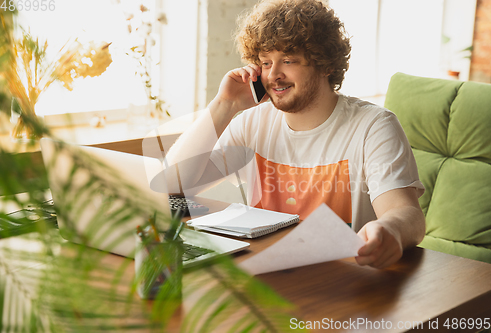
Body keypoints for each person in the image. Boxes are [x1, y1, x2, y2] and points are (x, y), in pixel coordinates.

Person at [165, 0, 426, 269]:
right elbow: (174, 185)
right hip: (268, 275)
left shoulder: (373, 126)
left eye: (288, 60)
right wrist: (224, 105)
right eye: (266, 63)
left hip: (342, 278)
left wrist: (390, 229)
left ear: (326, 65)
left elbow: (407, 214)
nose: (274, 75)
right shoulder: (251, 123)